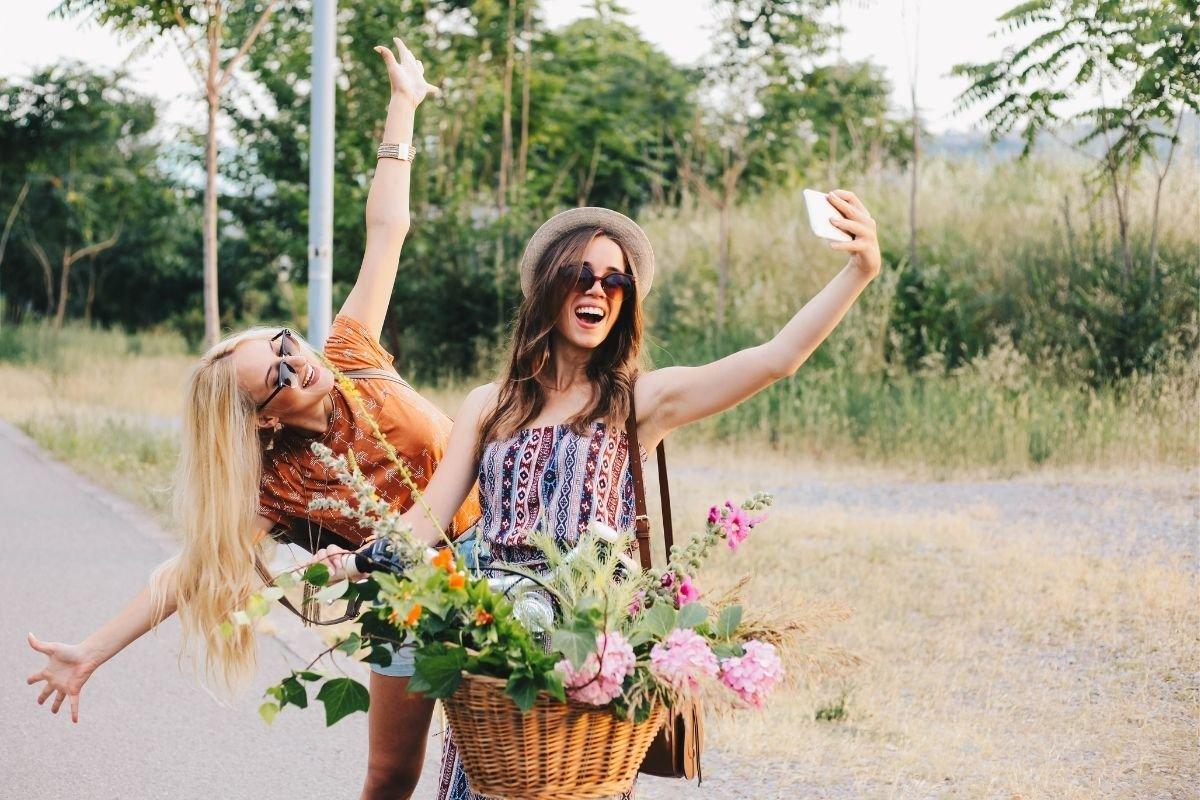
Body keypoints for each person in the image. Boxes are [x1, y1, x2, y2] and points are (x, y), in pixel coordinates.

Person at [24, 35, 474, 800]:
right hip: (413, 604)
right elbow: (193, 572)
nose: (299, 360)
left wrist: (402, 106)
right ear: (263, 422)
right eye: (278, 374)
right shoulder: (279, 486)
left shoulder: (354, 353)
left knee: (523, 753)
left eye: (285, 343)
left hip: (503, 564)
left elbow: (386, 232)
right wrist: (92, 651)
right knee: (391, 775)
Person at [317, 191, 881, 798]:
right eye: (580, 275)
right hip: (494, 653)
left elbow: (776, 359)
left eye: (614, 282)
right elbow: (428, 519)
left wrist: (859, 272)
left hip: (587, 657)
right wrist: (354, 559)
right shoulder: (490, 403)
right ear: (548, 289)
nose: (596, 290)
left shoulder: (637, 402)